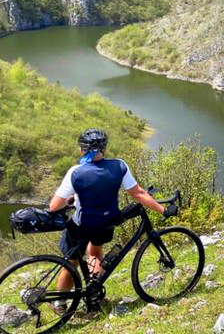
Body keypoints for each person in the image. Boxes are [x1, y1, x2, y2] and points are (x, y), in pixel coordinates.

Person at [48, 128, 173, 303]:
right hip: (107, 222)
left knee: (71, 263)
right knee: (96, 251)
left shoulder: (75, 172)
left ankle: (60, 303)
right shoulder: (119, 166)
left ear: (81, 150)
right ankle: (94, 291)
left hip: (81, 225)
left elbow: (54, 207)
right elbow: (139, 194)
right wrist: (164, 210)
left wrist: (70, 199)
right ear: (104, 149)